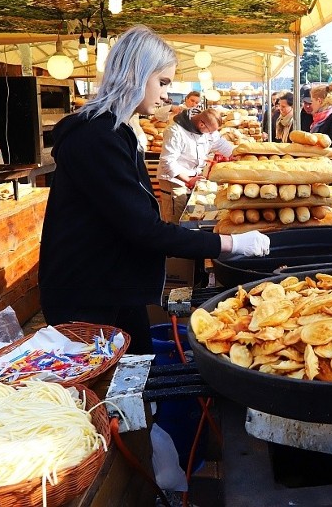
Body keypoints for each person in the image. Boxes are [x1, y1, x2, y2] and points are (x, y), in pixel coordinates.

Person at [39, 25, 270, 355]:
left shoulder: (118, 132)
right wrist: (228, 244)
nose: (166, 95)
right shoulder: (96, 139)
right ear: (135, 74)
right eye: (161, 82)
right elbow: (143, 228)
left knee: (137, 370)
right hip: (88, 297)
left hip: (113, 286)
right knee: (109, 395)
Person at [158, 107, 226, 223]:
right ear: (201, 125)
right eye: (210, 131)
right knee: (176, 219)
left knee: (189, 217)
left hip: (193, 179)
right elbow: (168, 162)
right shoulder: (175, 131)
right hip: (174, 181)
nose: (212, 134)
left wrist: (239, 154)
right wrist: (188, 179)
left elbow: (221, 144)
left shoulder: (207, 129)